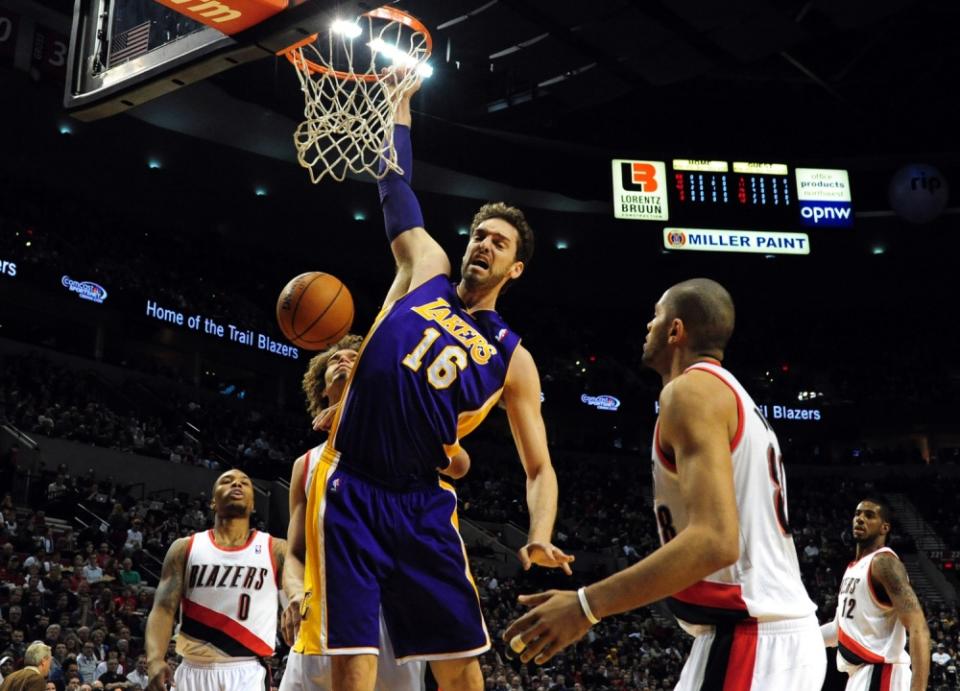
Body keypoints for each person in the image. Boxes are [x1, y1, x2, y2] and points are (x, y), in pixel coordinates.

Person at [297, 76, 573, 691]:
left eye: (499, 243)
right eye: (480, 234)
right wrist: (400, 104)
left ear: (515, 267)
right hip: (351, 487)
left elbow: (540, 469)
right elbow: (395, 184)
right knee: (352, 664)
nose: (484, 245)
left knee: (460, 668)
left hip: (421, 502)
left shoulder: (513, 357)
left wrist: (540, 538)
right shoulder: (427, 270)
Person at [505, 278, 826, 689]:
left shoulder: (689, 392)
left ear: (676, 330)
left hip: (754, 638)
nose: (648, 326)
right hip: (753, 638)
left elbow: (715, 540)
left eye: (655, 316)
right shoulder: (729, 395)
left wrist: (585, 606)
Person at [282, 334, 468, 691]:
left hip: (388, 616)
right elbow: (295, 552)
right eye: (335, 361)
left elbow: (459, 463)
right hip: (320, 613)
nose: (342, 360)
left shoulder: (405, 440)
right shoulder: (304, 465)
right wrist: (292, 592)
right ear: (322, 391)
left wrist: (373, 411)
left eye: (354, 358)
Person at [145, 469, 285, 691]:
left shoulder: (276, 549)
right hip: (192, 669)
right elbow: (163, 609)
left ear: (254, 505)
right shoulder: (185, 547)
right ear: (212, 502)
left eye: (244, 483)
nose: (236, 485)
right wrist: (154, 659)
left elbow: (299, 593)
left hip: (247, 670)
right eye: (227, 481)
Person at [820, 498, 930, 690]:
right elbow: (838, 631)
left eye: (869, 515)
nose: (860, 519)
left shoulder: (884, 564)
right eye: (857, 514)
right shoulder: (853, 568)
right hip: (859, 675)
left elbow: (918, 627)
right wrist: (798, 637)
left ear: (884, 527)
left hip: (882, 674)